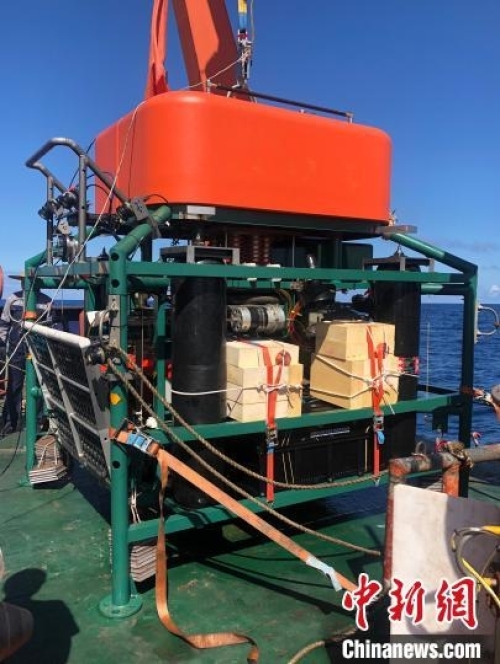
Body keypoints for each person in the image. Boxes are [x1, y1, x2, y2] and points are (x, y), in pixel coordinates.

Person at [0, 282, 52, 436]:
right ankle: (10, 423)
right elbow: (4, 323)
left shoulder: (47, 301)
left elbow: (49, 328)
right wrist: (3, 345)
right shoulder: (13, 299)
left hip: (37, 349)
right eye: (23, 281)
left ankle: (35, 422)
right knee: (14, 386)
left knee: (36, 386)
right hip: (16, 349)